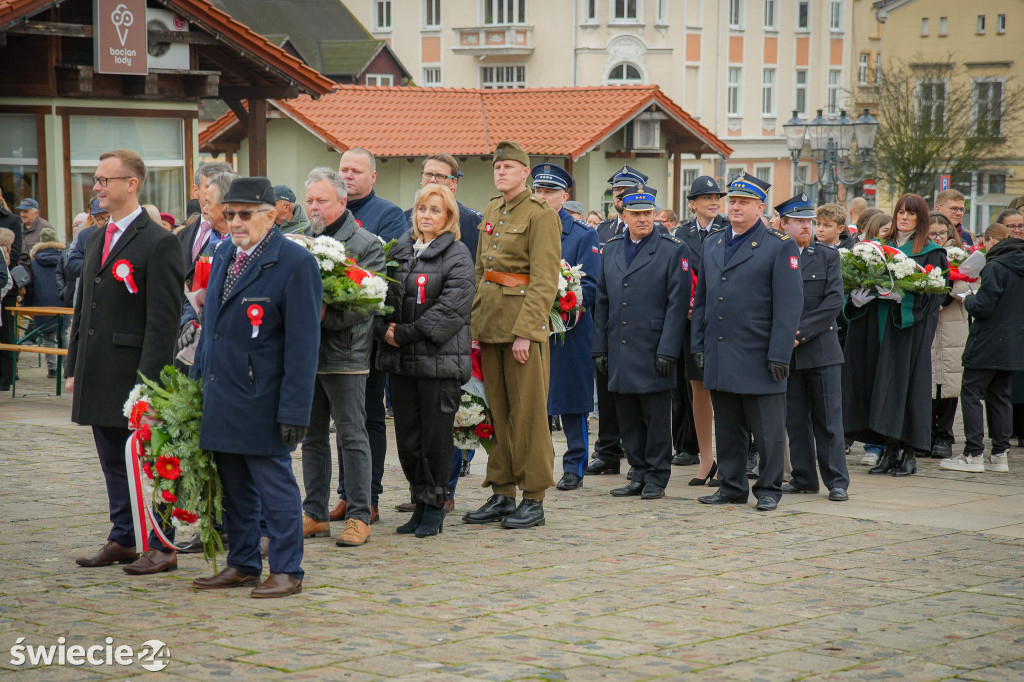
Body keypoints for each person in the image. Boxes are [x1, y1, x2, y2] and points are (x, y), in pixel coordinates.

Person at [190, 176, 322, 598]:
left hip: (264, 397)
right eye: (230, 214)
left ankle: (287, 569)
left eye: (245, 214)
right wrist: (198, 389)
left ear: (272, 216)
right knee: (234, 488)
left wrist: (295, 411)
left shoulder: (294, 263)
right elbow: (211, 330)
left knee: (274, 487)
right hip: (222, 394)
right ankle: (243, 562)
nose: (235, 222)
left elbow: (304, 346)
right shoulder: (226, 251)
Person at [66, 149, 185, 574]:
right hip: (100, 368)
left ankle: (161, 543)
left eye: (104, 180)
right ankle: (123, 537)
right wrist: (74, 366)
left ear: (131, 184)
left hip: (135, 372)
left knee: (150, 463)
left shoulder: (160, 242)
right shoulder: (97, 237)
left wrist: (148, 386)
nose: (96, 188)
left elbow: (164, 322)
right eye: (96, 180)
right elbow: (85, 310)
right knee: (112, 460)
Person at [462, 140, 561, 529]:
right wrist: (474, 323)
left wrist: (527, 333)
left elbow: (544, 279)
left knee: (529, 416)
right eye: (497, 167)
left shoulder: (540, 214)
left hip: (521, 330)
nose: (501, 172)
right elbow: (479, 271)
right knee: (497, 412)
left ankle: (533, 497)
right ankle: (502, 491)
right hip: (490, 325)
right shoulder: (491, 209)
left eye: (509, 167)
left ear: (525, 173)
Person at [691, 172, 802, 511]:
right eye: (733, 201)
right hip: (721, 349)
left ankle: (768, 488)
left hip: (760, 353)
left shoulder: (779, 246)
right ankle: (731, 485)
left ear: (760, 207)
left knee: (767, 429)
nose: (735, 207)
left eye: (744, 202)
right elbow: (704, 300)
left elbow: (789, 305)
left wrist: (780, 353)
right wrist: (698, 345)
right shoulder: (714, 242)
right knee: (728, 426)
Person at [375, 183, 474, 536]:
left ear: (449, 217)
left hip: (438, 363)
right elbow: (383, 291)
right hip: (403, 365)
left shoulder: (458, 255)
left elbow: (451, 311)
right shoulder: (402, 249)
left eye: (436, 210)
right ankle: (419, 501)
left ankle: (435, 505)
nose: (427, 215)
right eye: (422, 209)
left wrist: (402, 334)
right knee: (408, 440)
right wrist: (382, 325)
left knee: (435, 438)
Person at [299, 167, 385, 547]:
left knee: (352, 435)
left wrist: (324, 314)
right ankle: (315, 513)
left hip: (346, 356)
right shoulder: (298, 241)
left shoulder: (365, 244)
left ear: (342, 201)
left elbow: (368, 303)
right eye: (310, 200)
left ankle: (359, 515)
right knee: (311, 437)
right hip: (304, 355)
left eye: (322, 201)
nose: (314, 207)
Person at [593, 188, 690, 499]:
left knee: (656, 417)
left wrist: (668, 349)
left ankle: (657, 476)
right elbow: (603, 301)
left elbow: (677, 305)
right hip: (620, 345)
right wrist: (600, 348)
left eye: (647, 213)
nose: (643, 219)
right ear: (624, 217)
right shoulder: (611, 249)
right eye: (636, 214)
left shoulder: (672, 249)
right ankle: (637, 471)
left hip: (653, 347)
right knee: (628, 415)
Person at [843, 194, 948, 477]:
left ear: (920, 218)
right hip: (875, 328)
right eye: (900, 212)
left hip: (907, 333)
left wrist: (903, 299)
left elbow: (934, 296)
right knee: (878, 385)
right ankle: (888, 450)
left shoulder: (931, 251)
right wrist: (855, 299)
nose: (903, 217)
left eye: (910, 214)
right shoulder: (878, 247)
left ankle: (909, 452)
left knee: (905, 386)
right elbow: (858, 281)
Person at [337, 148, 406, 520]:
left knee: (367, 416)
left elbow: (391, 271)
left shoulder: (389, 215)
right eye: (343, 169)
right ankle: (345, 493)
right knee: (341, 418)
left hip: (369, 331)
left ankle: (370, 495)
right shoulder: (331, 209)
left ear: (373, 176)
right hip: (333, 336)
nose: (348, 175)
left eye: (356, 170)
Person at [775, 194, 849, 502]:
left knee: (828, 419)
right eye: (801, 221)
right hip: (787, 352)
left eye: (811, 222)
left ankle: (837, 481)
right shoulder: (777, 255)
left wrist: (799, 333)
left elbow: (833, 302)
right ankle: (804, 478)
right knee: (795, 419)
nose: (808, 227)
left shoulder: (828, 256)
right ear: (784, 224)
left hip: (820, 349)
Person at [530, 163, 600, 491]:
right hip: (531, 329)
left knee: (572, 403)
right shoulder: (527, 228)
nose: (542, 197)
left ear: (565, 196)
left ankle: (574, 465)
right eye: (538, 191)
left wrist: (564, 299)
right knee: (533, 401)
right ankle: (536, 465)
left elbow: (594, 286)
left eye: (549, 192)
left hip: (569, 333)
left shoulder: (584, 235)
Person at [939, 225, 1024, 473]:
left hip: (988, 341)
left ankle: (973, 453)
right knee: (1000, 395)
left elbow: (984, 306)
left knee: (971, 393)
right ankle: (1000, 454)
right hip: (1015, 343)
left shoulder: (996, 266)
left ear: (989, 242)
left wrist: (969, 298)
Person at [586, 165, 649, 476]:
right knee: (607, 392)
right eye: (616, 191)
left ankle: (642, 456)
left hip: (639, 326)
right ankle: (607, 451)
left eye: (626, 190)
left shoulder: (652, 231)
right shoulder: (604, 232)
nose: (619, 196)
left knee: (638, 397)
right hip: (608, 322)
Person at [672, 175, 728, 475]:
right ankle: (706, 459)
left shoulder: (729, 230)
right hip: (692, 324)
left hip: (722, 321)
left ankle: (730, 458)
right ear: (692, 204)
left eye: (716, 197)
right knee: (697, 389)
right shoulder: (682, 234)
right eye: (706, 198)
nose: (714, 202)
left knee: (726, 390)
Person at [928, 213, 970, 460]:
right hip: (929, 326)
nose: (938, 238)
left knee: (949, 380)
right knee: (928, 380)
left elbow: (969, 284)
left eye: (941, 233)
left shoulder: (958, 255)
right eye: (932, 234)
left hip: (952, 325)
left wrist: (955, 286)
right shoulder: (925, 254)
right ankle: (926, 434)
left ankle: (944, 435)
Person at [21, 226, 65, 377]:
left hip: (41, 303)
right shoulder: (64, 258)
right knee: (63, 335)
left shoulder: (33, 263)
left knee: (47, 335)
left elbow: (30, 287)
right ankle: (67, 369)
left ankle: (52, 369)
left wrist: (27, 306)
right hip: (61, 302)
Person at [15, 198, 54, 266]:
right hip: (22, 272)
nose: (23, 215)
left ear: (36, 213)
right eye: (21, 211)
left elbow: (52, 254)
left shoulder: (46, 228)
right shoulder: (18, 228)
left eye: (26, 211)